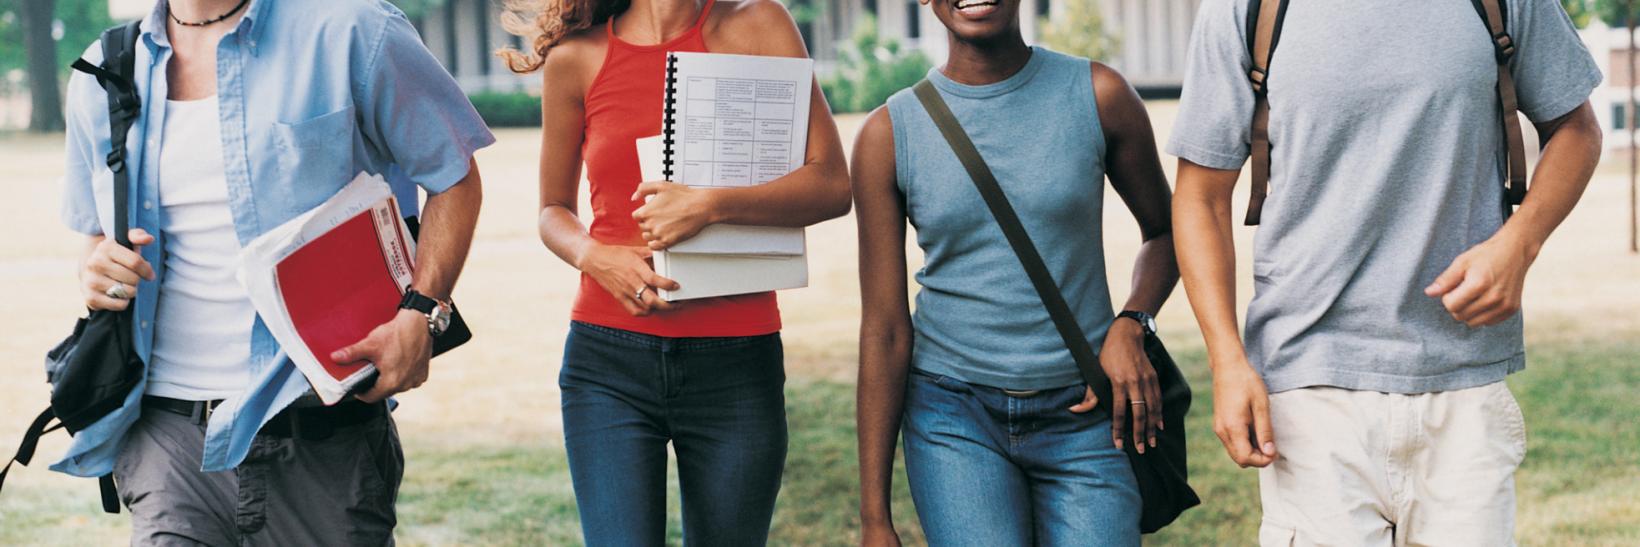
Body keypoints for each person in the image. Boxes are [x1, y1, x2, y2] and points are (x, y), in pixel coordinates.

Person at [1169, 0, 1603, 544]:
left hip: (1464, 382)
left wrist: (1521, 241)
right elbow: (1201, 198)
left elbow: (1576, 129)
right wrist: (1226, 361)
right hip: (1309, 384)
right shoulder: (1246, 9)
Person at [58, 0, 491, 544]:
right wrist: (97, 271)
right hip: (165, 439)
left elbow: (454, 177)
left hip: (319, 432)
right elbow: (95, 238)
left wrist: (422, 310)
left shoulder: (353, 29)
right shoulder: (104, 67)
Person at [498, 0, 850, 543]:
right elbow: (553, 212)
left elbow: (831, 184)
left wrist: (710, 206)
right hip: (607, 365)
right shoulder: (579, 57)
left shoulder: (759, 25)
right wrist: (594, 255)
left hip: (737, 363)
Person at [851, 0, 1178, 543]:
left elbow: (1166, 232)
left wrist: (1132, 322)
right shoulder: (889, 133)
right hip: (953, 417)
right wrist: (874, 518)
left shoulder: (1099, 95)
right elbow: (884, 329)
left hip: (1088, 414)